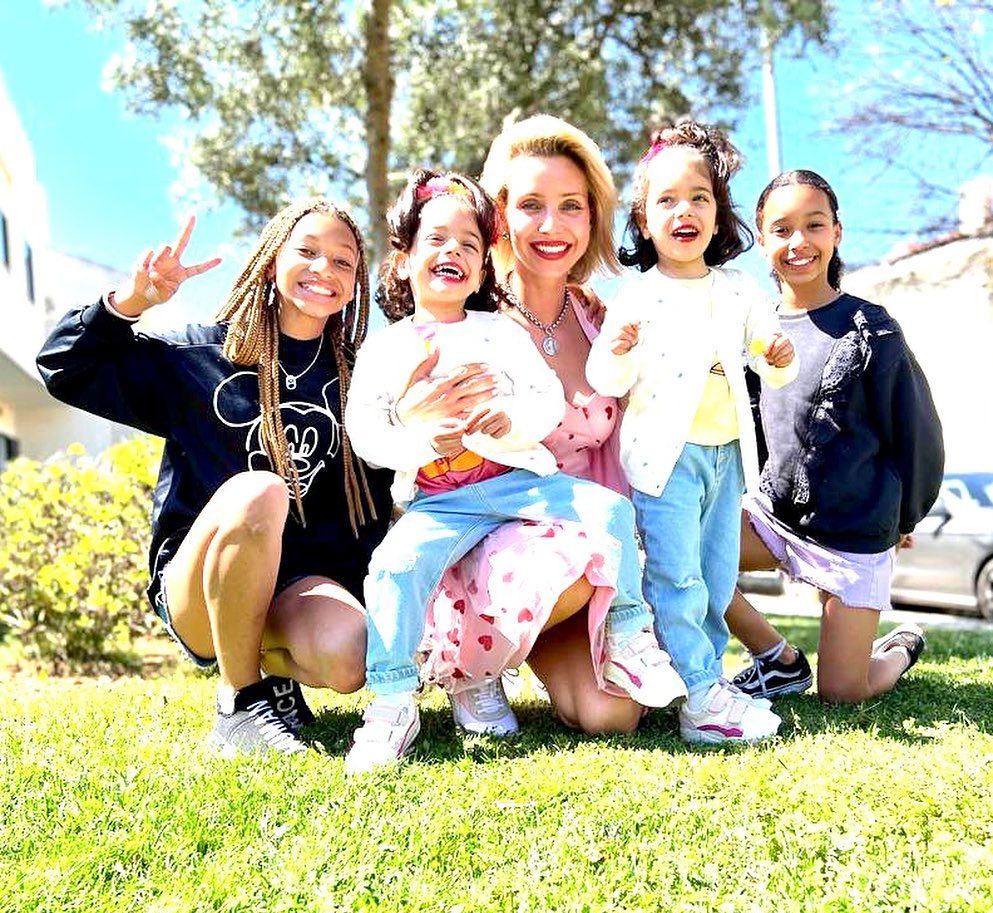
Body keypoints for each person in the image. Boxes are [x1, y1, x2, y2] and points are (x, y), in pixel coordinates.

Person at [343, 169, 686, 773]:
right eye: (437, 242)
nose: (454, 253)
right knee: (393, 566)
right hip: (439, 499)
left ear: (482, 268)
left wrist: (512, 419)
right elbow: (366, 434)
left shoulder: (498, 330)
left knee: (609, 510)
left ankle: (629, 637)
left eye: (470, 246)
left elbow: (546, 397)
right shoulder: (386, 347)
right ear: (402, 262)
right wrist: (423, 440)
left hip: (519, 482)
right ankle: (393, 700)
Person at [36, 203, 394, 756]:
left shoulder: (362, 379)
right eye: (306, 251)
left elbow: (381, 494)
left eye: (343, 261)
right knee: (260, 490)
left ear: (355, 284)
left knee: (349, 657)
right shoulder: (200, 356)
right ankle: (241, 703)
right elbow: (64, 367)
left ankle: (273, 677)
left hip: (297, 591)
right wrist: (133, 302)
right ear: (272, 261)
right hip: (200, 590)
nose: (324, 267)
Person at [415, 114, 650, 737]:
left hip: (588, 546)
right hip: (495, 545)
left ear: (593, 217)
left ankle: (537, 637)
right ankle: (470, 663)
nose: (552, 226)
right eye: (531, 206)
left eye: (571, 206)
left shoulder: (602, 321)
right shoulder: (469, 320)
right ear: (499, 218)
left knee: (612, 717)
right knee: (577, 564)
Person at [587, 120, 798, 745]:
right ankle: (701, 692)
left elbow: (767, 360)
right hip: (665, 461)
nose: (685, 211)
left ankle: (701, 683)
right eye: (667, 200)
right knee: (676, 577)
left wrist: (779, 356)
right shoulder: (639, 296)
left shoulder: (738, 289)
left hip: (727, 456)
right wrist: (618, 348)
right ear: (645, 222)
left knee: (716, 575)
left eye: (699, 198)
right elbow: (606, 376)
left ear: (718, 213)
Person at [726, 169, 944, 704]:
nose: (798, 242)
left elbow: (918, 434)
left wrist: (905, 517)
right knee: (678, 552)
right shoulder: (754, 332)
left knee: (844, 693)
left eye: (814, 225)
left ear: (837, 233)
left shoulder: (873, 328)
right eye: (781, 229)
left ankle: (896, 650)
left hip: (853, 533)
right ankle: (777, 660)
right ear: (762, 242)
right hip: (776, 519)